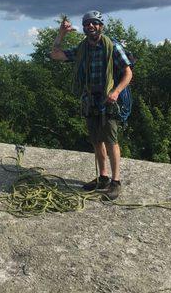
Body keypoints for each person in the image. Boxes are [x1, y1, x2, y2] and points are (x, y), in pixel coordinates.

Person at [50, 10, 133, 200]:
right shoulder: (82, 49)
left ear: (101, 26)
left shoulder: (112, 46)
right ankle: (103, 177)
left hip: (109, 99)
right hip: (90, 100)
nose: (90, 26)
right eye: (87, 24)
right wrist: (61, 34)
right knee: (96, 141)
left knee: (111, 141)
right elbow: (55, 54)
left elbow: (128, 73)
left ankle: (116, 182)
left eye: (94, 23)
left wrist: (116, 92)